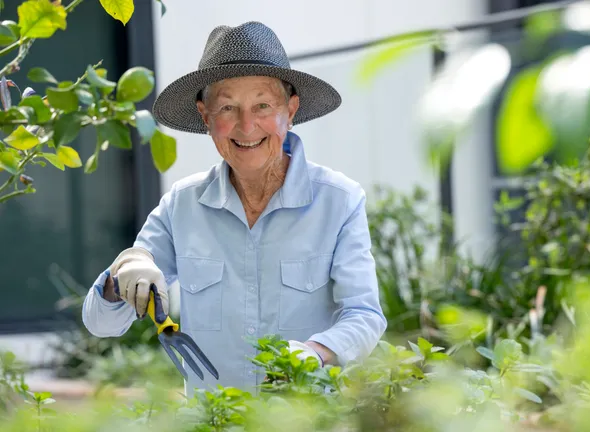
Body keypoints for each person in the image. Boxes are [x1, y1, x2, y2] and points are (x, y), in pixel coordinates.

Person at [81, 21, 387, 396]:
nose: (246, 126)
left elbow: (365, 315)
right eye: (228, 107)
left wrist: (316, 352)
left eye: (262, 106)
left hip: (305, 419)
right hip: (211, 419)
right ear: (206, 117)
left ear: (290, 110)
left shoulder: (339, 201)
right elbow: (101, 323)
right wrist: (121, 276)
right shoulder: (182, 204)